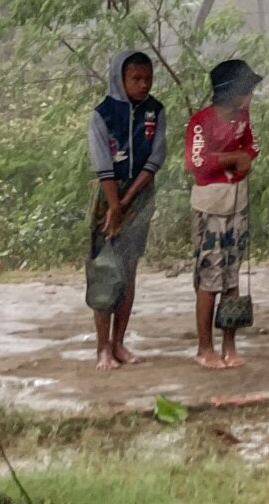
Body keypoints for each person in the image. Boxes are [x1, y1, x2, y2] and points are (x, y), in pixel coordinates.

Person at [87, 50, 165, 371]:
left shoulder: (156, 111)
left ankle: (120, 342)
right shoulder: (102, 114)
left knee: (128, 270)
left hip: (140, 195)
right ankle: (102, 348)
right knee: (105, 269)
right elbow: (102, 164)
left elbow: (156, 157)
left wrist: (128, 201)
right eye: (135, 79)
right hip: (108, 195)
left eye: (147, 78)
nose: (143, 84)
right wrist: (114, 205)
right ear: (119, 79)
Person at [185, 58, 262, 370]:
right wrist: (234, 158)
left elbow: (251, 147)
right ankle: (205, 347)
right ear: (234, 93)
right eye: (248, 91)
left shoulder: (242, 117)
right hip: (211, 206)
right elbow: (196, 163)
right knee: (209, 277)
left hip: (236, 203)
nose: (250, 97)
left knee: (232, 276)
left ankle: (230, 344)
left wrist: (244, 158)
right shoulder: (201, 122)